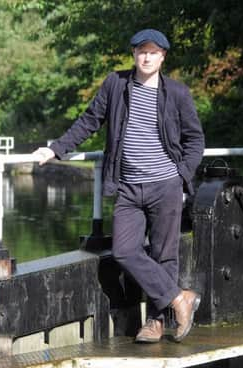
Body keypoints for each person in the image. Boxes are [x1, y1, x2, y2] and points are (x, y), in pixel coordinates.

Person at [33, 29, 205, 343]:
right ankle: (180, 299)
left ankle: (155, 323)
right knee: (125, 251)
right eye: (142, 51)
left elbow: (195, 140)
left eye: (153, 52)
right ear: (134, 54)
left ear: (163, 56)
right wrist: (55, 148)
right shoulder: (116, 84)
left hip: (165, 184)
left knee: (164, 255)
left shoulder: (177, 93)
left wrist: (181, 175)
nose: (147, 57)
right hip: (127, 185)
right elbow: (89, 120)